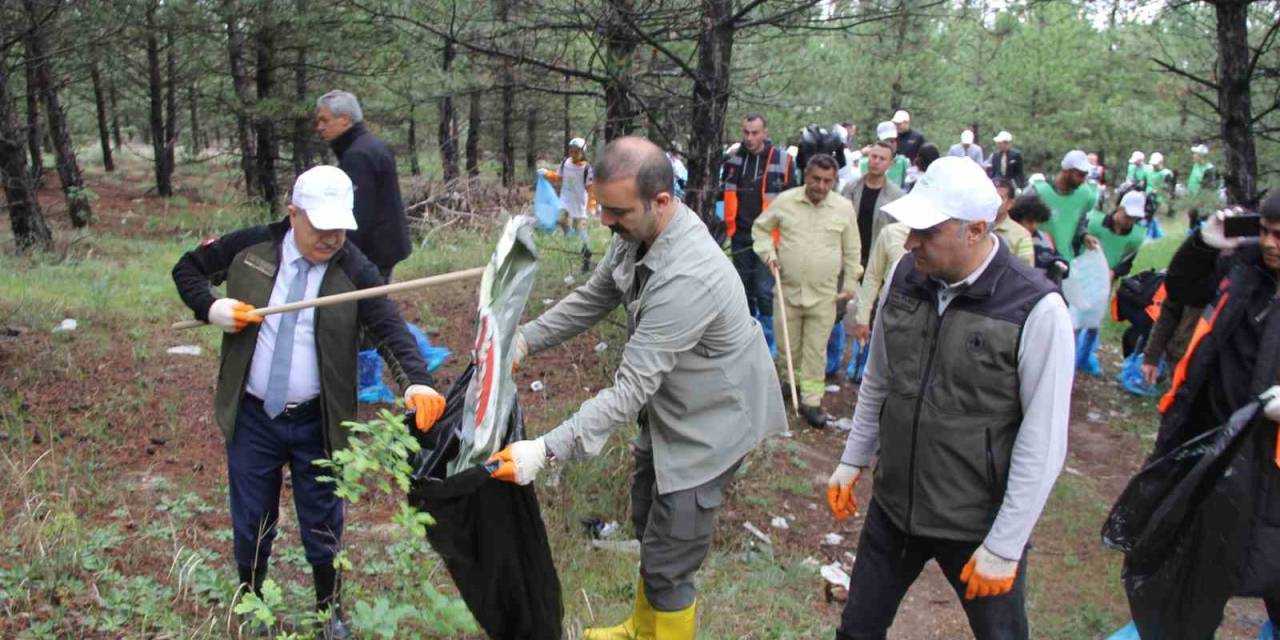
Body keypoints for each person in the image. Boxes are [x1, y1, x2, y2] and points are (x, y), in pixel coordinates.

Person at [491, 137, 786, 640]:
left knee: (672, 557)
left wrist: (544, 450)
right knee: (648, 515)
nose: (605, 221)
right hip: (673, 406)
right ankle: (640, 627)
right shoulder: (637, 231)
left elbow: (628, 390)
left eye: (617, 211)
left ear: (662, 201)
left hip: (712, 424)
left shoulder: (687, 276)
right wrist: (524, 339)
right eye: (602, 207)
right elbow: (597, 294)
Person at [170, 166, 447, 640]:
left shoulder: (355, 270)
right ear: (294, 213)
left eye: (340, 226)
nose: (332, 237)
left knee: (322, 519)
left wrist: (416, 383)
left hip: (319, 420)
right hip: (253, 415)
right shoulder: (252, 248)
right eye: (321, 226)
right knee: (252, 517)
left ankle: (329, 611)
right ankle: (253, 602)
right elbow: (188, 269)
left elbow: (391, 330)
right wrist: (210, 307)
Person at [826, 156, 1073, 640]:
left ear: (976, 230)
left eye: (928, 231)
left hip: (976, 522)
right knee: (856, 632)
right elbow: (879, 376)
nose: (912, 241)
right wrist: (852, 459)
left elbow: (1043, 440)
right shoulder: (904, 274)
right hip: (894, 508)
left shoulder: (1036, 310)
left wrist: (1004, 545)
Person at [1118, 196, 1280, 638]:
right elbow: (1184, 291)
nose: (1269, 242)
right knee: (1193, 569)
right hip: (1213, 445)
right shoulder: (1243, 268)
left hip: (1272, 464)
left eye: (1279, 235)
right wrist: (1202, 246)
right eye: (1264, 230)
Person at [752, 154, 862, 427]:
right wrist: (768, 254)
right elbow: (761, 229)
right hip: (786, 290)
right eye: (816, 179)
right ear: (806, 176)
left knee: (815, 350)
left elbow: (852, 250)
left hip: (824, 295)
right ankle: (791, 384)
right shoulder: (786, 201)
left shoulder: (843, 208)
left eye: (827, 181)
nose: (821, 186)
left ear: (834, 181)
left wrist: (850, 284)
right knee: (788, 346)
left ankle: (811, 401)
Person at [720, 112, 796, 353]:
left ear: (765, 132)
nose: (750, 138)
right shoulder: (733, 161)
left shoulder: (782, 160)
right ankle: (745, 337)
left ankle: (768, 343)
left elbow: (791, 200)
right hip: (740, 232)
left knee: (765, 289)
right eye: (746, 132)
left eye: (755, 133)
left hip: (769, 236)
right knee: (743, 288)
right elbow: (723, 195)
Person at [314, 90, 410, 283]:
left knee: (368, 308)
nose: (319, 127)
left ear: (344, 119)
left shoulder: (358, 156)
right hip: (385, 245)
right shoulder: (370, 145)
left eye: (325, 120)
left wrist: (343, 256)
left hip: (373, 252)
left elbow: (356, 214)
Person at [1074, 190, 1149, 377]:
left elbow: (1128, 262)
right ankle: (1068, 358)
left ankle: (1082, 359)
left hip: (1106, 282)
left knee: (1093, 324)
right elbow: (1076, 241)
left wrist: (1114, 272)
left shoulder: (1136, 237)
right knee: (1075, 319)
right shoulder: (1095, 222)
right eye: (1128, 216)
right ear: (1120, 209)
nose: (1130, 221)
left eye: (1134, 218)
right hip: (1082, 276)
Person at [843, 141, 905, 267]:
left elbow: (898, 234)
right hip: (848, 256)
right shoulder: (851, 188)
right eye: (874, 156)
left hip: (877, 260)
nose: (876, 161)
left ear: (890, 164)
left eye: (882, 159)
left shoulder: (896, 196)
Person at [1031, 149, 1096, 261]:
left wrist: (1084, 236)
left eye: (1085, 176)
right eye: (1080, 175)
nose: (1083, 180)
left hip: (1065, 260)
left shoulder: (1083, 194)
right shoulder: (1038, 191)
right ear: (1066, 170)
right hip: (1038, 259)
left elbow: (1079, 222)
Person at [1009, 194, 1070, 286]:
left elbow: (1057, 257)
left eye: (1037, 221)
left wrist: (1060, 265)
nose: (1033, 226)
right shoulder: (1011, 238)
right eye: (1029, 221)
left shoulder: (1045, 237)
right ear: (1017, 218)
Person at [993, 178, 1034, 266]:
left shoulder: (1021, 235)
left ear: (1010, 204)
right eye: (989, 196)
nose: (993, 201)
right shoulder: (973, 227)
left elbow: (1025, 272)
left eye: (999, 198)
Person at [859, 121, 910, 189]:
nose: (890, 144)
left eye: (893, 141)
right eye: (886, 141)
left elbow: (905, 187)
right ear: (878, 141)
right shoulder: (863, 163)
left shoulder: (903, 162)